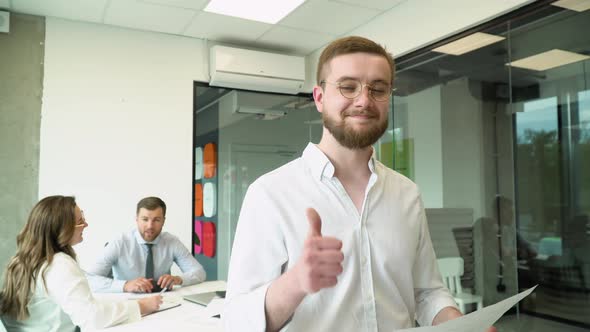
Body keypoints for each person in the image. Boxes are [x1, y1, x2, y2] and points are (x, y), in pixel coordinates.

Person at [223, 36, 496, 331]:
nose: (364, 100)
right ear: (319, 98)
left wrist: (464, 327)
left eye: (378, 89)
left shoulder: (407, 194)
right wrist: (295, 282)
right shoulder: (270, 194)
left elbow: (426, 293)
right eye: (348, 86)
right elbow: (236, 321)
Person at [0, 196, 162, 331]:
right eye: (79, 221)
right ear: (62, 227)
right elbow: (92, 319)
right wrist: (140, 306)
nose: (86, 224)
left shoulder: (25, 259)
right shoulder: (58, 265)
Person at [87, 196, 206, 293]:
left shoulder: (172, 242)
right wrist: (126, 285)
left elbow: (199, 272)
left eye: (156, 220)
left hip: (163, 302)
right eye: (145, 219)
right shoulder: (119, 242)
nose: (150, 226)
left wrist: (178, 279)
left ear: (163, 221)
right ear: (136, 219)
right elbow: (89, 280)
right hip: (127, 302)